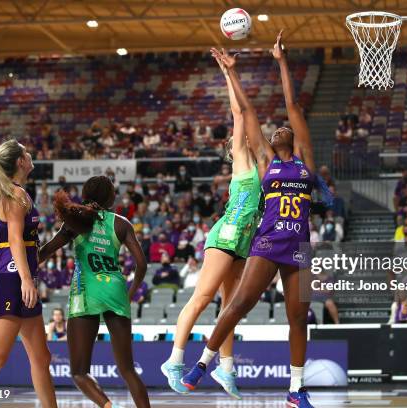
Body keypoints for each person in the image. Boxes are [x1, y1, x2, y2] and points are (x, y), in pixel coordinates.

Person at [183, 33, 319, 407]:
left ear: (291, 137)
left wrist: (281, 61)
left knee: (298, 318)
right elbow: (246, 113)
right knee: (239, 302)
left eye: (284, 128)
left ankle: (296, 389)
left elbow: (292, 102)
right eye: (275, 130)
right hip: (269, 240)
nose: (279, 128)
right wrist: (232, 74)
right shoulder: (265, 160)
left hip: (301, 245)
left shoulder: (304, 157)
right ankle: (203, 362)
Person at [161, 53, 262, 399]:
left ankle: (227, 368)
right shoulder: (242, 161)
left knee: (230, 308)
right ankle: (174, 360)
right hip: (225, 236)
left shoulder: (268, 169)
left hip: (244, 243)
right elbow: (239, 113)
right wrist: (228, 72)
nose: (244, 138)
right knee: (202, 298)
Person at [38, 176, 150, 408]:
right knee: (128, 369)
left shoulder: (76, 222)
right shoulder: (121, 223)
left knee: (79, 371)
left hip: (86, 293)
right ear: (111, 198)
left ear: (86, 195)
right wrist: (129, 294)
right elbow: (141, 264)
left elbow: (45, 252)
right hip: (116, 290)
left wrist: (18, 262)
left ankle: (109, 406)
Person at [0, 139, 58, 408]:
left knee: (42, 358)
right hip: (11, 281)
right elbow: (15, 240)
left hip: (17, 279)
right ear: (20, 162)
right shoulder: (15, 195)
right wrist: (27, 280)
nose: (30, 155)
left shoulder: (7, 196)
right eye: (27, 153)